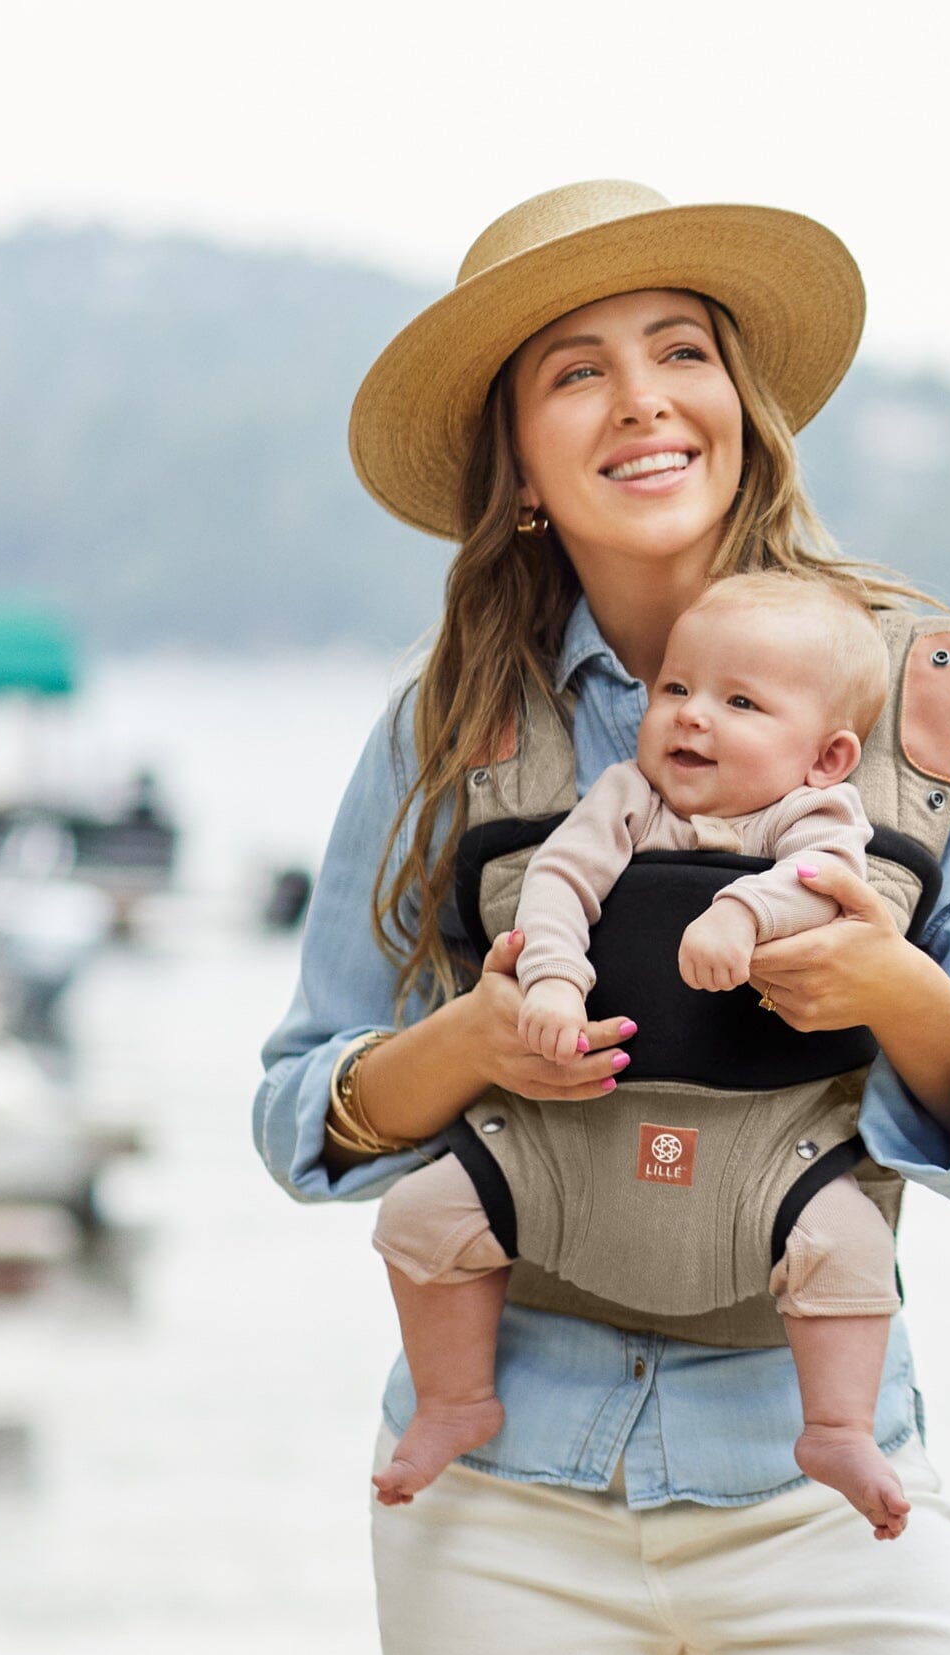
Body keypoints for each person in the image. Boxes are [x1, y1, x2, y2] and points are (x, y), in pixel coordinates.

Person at [254, 180, 950, 1655]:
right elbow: (301, 1115)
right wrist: (475, 1046)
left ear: (746, 406)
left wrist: (892, 992)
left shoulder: (930, 707)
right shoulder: (445, 726)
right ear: (520, 465)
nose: (644, 400)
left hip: (825, 1483)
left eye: (683, 351)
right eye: (575, 372)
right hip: (499, 1494)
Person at [367, 570, 911, 1535]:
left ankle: (837, 1425)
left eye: (739, 702)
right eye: (676, 690)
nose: (693, 718)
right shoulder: (624, 798)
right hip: (572, 1139)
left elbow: (822, 885)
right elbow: (558, 885)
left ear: (828, 756)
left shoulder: (813, 817)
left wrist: (742, 909)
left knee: (850, 1248)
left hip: (760, 1156)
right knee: (422, 1216)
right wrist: (552, 981)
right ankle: (455, 1398)